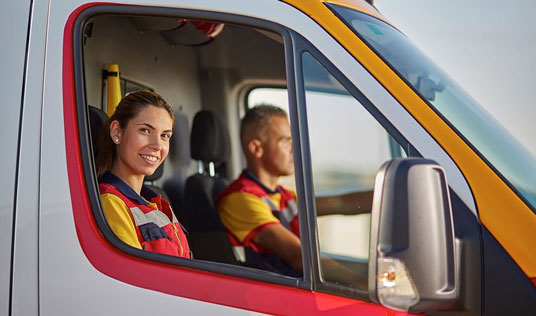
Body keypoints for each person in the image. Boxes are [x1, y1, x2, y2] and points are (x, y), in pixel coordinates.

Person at [217, 105, 372, 277]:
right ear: (256, 149)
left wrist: (390, 196)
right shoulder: (240, 199)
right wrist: (359, 284)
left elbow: (342, 203)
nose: (294, 149)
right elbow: (298, 256)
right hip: (268, 296)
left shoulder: (283, 196)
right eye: (286, 142)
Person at [96, 90, 190, 259]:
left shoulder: (158, 203)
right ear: (117, 132)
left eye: (165, 136)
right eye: (145, 131)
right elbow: (133, 276)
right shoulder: (110, 202)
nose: (157, 145)